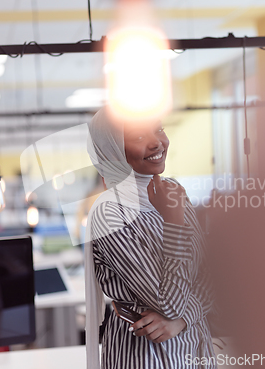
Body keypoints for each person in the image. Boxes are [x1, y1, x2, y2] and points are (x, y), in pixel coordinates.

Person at [84, 107, 216, 369]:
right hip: (144, 355)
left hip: (193, 347)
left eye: (158, 129)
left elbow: (212, 277)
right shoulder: (109, 213)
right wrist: (174, 222)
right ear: (113, 150)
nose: (157, 142)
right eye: (138, 137)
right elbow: (168, 304)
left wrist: (181, 321)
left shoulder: (173, 192)